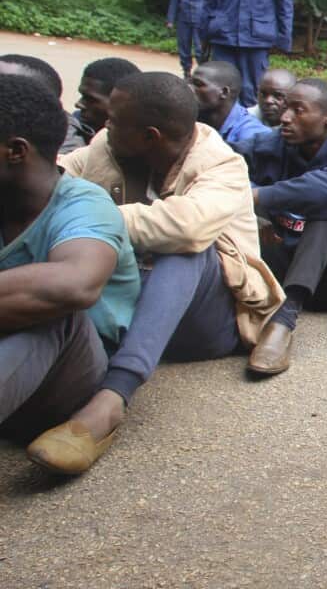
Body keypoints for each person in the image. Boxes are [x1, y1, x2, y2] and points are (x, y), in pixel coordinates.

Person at [47, 72, 285, 473]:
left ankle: (113, 396)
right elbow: (55, 178)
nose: (106, 126)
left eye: (116, 120)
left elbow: (187, 228)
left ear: (150, 136)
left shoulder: (222, 165)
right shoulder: (107, 147)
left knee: (189, 248)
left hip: (208, 322)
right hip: (130, 303)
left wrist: (88, 218)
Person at [0, 75, 140, 474]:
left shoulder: (83, 205)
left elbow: (75, 284)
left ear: (15, 151)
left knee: (53, 309)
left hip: (67, 379)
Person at [231, 79, 327, 373]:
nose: (285, 117)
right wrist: (255, 210)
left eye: (298, 111)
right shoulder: (275, 142)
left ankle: (283, 322)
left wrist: (259, 196)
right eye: (286, 109)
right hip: (282, 264)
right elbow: (224, 160)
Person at [60, 58, 141, 154]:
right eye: (82, 96)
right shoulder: (74, 126)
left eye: (91, 100)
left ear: (124, 104)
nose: (78, 104)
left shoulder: (144, 146)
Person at [190, 60, 271, 143]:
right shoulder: (191, 117)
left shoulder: (252, 136)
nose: (189, 88)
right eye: (189, 82)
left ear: (224, 92)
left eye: (198, 84)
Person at [167, 0, 205, 80]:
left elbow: (209, 1)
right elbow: (174, 1)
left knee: (200, 48)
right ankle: (187, 72)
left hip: (200, 19)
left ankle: (202, 73)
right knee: (184, 47)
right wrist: (170, 20)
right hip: (184, 19)